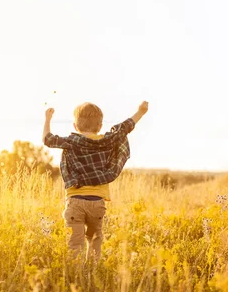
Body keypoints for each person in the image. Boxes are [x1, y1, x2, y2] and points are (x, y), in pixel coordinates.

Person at [43, 101, 149, 260]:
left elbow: (48, 139)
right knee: (94, 241)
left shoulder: (72, 141)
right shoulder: (106, 141)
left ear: (75, 126)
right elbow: (125, 128)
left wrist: (48, 119)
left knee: (75, 244)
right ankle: (91, 275)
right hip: (97, 203)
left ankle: (76, 279)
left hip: (75, 202)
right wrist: (140, 112)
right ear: (100, 126)